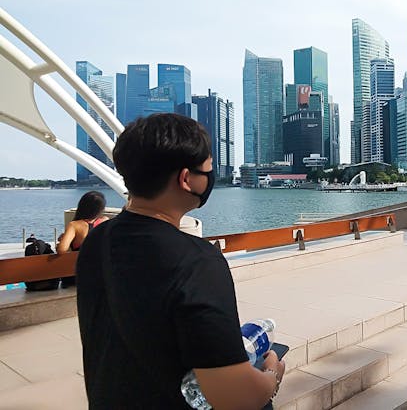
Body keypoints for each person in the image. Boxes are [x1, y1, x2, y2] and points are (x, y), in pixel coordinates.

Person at [76, 113, 284, 409]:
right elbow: (238, 397)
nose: (210, 178)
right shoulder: (197, 261)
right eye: (208, 170)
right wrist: (272, 374)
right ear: (186, 179)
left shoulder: (97, 240)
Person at [57, 190, 108, 287]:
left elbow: (61, 250)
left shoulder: (75, 225)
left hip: (79, 275)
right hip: (101, 274)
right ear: (101, 208)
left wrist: (61, 242)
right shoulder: (105, 221)